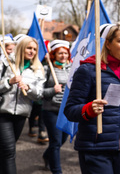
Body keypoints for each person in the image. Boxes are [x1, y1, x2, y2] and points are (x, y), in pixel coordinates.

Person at [64, 22, 120, 174]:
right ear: (108, 44)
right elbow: (70, 110)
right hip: (95, 147)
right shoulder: (88, 70)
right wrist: (88, 109)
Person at [0, 36, 45, 174]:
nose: (32, 51)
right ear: (21, 47)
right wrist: (9, 81)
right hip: (3, 112)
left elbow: (39, 94)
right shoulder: (6, 63)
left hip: (22, 114)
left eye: (34, 49)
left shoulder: (37, 69)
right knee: (9, 151)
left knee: (5, 151)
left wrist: (29, 88)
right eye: (29, 48)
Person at [42, 39, 71, 173]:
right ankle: (56, 171)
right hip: (51, 111)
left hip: (67, 111)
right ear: (54, 54)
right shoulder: (47, 69)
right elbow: (39, 93)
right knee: (56, 142)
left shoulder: (72, 68)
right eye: (60, 53)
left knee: (62, 140)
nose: (63, 56)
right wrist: (53, 90)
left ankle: (47, 156)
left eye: (65, 53)